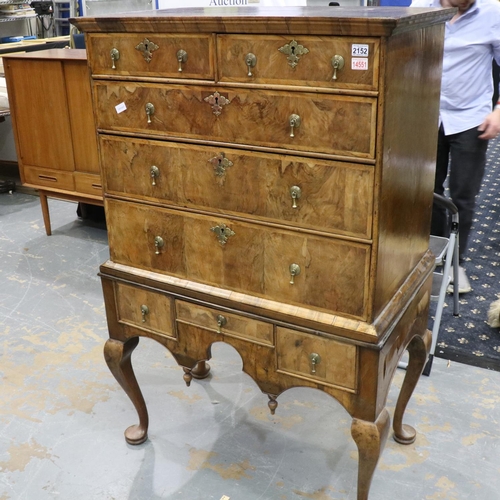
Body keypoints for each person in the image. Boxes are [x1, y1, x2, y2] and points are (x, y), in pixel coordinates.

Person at [410, 0, 500, 293]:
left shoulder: (492, 14)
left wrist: (498, 110)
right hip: (427, 113)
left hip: (471, 118)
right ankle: (435, 253)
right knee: (428, 189)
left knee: (463, 194)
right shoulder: (420, 8)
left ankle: (456, 263)